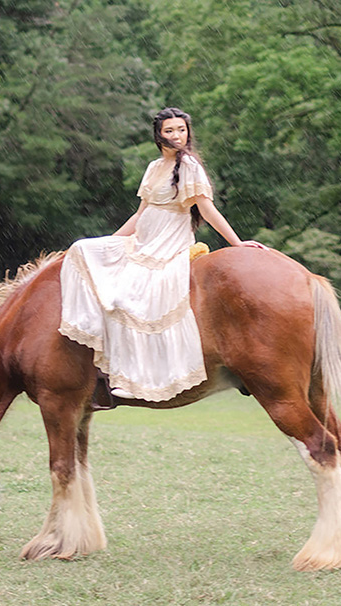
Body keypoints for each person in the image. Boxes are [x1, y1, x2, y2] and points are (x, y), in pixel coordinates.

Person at [59, 107, 267, 403]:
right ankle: (93, 349)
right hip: (144, 239)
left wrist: (236, 243)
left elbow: (206, 209)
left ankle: (132, 376)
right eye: (170, 130)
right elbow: (141, 213)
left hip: (169, 242)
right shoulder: (154, 167)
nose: (176, 136)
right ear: (159, 134)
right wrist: (111, 241)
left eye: (181, 130)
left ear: (188, 132)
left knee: (129, 297)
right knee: (82, 249)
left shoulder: (190, 166)